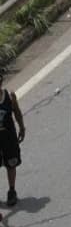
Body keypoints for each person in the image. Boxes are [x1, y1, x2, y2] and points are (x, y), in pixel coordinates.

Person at [0, 73, 25, 206]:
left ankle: (12, 190)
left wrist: (22, 127)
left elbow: (17, 112)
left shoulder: (10, 96)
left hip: (9, 138)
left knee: (11, 164)